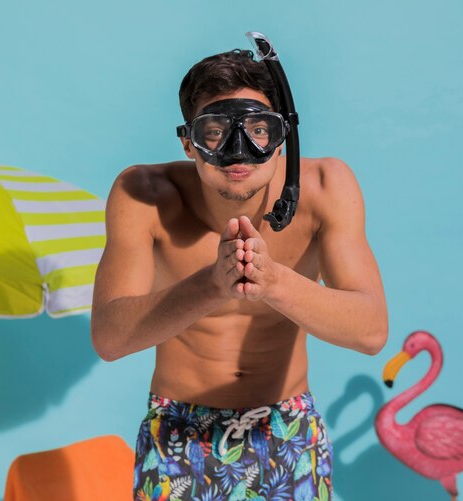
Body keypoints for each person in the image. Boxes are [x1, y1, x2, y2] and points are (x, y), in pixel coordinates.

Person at [91, 48, 388, 501]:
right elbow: (110, 338)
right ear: (189, 142)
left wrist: (274, 282)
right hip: (178, 433)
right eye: (215, 132)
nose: (238, 152)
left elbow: (371, 331)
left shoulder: (328, 187)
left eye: (257, 129)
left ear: (282, 135)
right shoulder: (144, 195)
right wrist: (211, 285)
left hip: (286, 427)